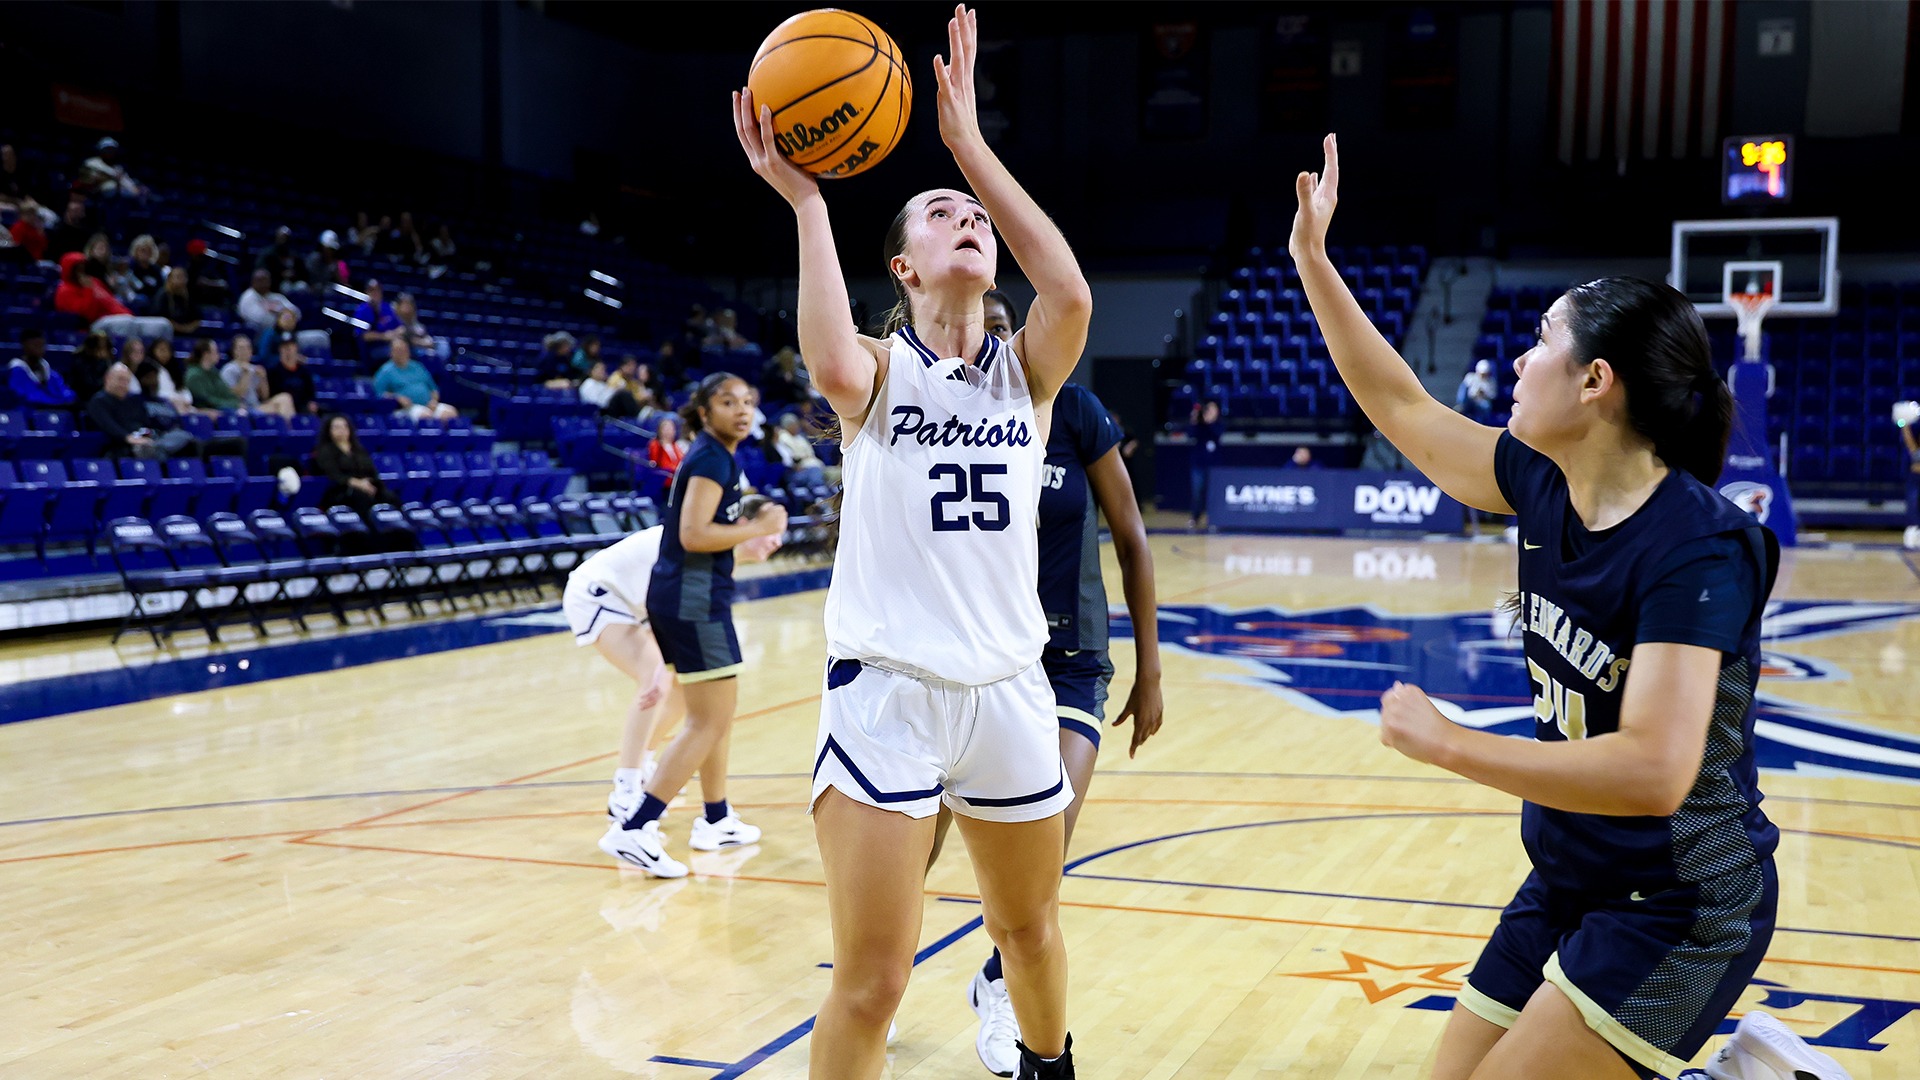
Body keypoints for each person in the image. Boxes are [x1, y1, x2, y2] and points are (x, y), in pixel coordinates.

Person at [1289, 134, 1849, 1080]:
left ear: (1596, 381)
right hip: (1570, 875)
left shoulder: (1699, 546)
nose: (1519, 358)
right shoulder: (1542, 481)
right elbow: (1403, 408)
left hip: (1683, 899)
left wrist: (1450, 741)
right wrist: (1313, 262)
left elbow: (1655, 771)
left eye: (1543, 339)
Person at [734, 8, 1092, 1076]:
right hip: (887, 692)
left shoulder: (1027, 374)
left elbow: (1068, 292)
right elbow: (829, 356)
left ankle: (1049, 1065)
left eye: (975, 212)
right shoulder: (883, 375)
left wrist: (970, 147)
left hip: (1006, 689)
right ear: (903, 264)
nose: (967, 217)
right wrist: (805, 202)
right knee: (874, 980)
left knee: (1026, 934)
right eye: (944, 212)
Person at [931, 289, 1165, 1075]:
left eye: (1009, 330)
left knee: (1044, 852)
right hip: (973, 664)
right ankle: (881, 978)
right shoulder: (941, 421)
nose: (996, 344)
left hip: (1069, 661)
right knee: (917, 852)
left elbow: (1132, 537)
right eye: (985, 332)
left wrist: (1152, 667)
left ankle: (1000, 987)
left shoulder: (1076, 410)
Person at [600, 373, 788, 875]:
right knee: (709, 720)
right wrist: (758, 527)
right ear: (704, 411)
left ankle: (716, 817)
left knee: (714, 717)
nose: (742, 410)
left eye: (749, 401)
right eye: (728, 402)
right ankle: (635, 827)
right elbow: (693, 533)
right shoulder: (708, 457)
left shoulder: (717, 456)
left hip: (688, 598)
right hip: (692, 600)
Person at [567, 494, 785, 837]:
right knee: (655, 678)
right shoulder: (698, 545)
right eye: (773, 530)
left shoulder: (722, 554)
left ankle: (646, 765)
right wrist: (660, 662)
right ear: (744, 524)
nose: (778, 540)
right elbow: (662, 599)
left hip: (635, 604)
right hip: (597, 594)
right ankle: (625, 790)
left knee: (688, 688)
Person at [89, 363, 194, 459]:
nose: (124, 384)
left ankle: (158, 448)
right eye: (120, 379)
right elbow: (108, 425)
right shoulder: (98, 401)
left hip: (147, 440)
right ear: (108, 378)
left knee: (182, 435)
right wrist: (128, 438)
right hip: (122, 446)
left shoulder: (134, 400)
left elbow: (146, 422)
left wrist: (148, 435)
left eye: (127, 381)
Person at [312, 414, 399, 520]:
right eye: (337, 427)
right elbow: (334, 475)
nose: (342, 430)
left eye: (345, 426)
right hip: (341, 490)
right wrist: (358, 484)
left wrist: (370, 483)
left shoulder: (358, 449)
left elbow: (371, 470)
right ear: (328, 430)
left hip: (365, 486)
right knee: (361, 498)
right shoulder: (324, 451)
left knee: (389, 497)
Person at [371, 338, 456, 421]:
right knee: (425, 416)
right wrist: (397, 398)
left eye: (404, 350)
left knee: (450, 413)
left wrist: (433, 401)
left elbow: (433, 389)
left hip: (429, 405)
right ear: (391, 353)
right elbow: (379, 393)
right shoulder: (385, 371)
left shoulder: (417, 366)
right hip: (406, 408)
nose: (402, 353)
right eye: (398, 350)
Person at [221, 334, 295, 418]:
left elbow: (264, 396)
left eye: (248, 348)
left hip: (256, 406)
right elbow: (234, 396)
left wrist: (263, 378)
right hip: (241, 408)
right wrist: (246, 375)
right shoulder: (229, 369)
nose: (245, 351)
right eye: (241, 348)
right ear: (234, 351)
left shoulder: (254, 369)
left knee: (285, 398)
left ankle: (288, 430)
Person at [8, 328, 77, 409]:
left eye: (42, 345)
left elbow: (67, 393)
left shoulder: (51, 374)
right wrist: (58, 402)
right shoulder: (17, 372)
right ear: (24, 345)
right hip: (29, 414)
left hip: (54, 410)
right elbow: (29, 397)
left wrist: (64, 400)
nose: (40, 349)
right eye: (35, 345)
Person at [1187, 398, 1223, 529]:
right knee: (1197, 492)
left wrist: (1209, 421)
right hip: (1198, 463)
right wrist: (1195, 419)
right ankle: (1195, 517)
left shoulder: (1218, 424)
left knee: (1212, 492)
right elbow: (1190, 434)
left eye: (1214, 409)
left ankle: (1212, 518)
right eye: (1209, 409)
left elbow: (1217, 433)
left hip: (1214, 464)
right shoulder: (1199, 425)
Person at [77, 137, 148, 202]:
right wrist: (108, 177)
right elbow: (87, 180)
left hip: (120, 196)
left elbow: (127, 182)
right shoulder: (91, 162)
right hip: (100, 195)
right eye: (107, 149)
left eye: (112, 149)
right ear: (101, 150)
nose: (110, 152)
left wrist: (137, 189)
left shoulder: (118, 167)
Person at [238, 269, 302, 335]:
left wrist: (278, 310)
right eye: (260, 280)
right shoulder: (248, 297)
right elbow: (261, 320)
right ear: (253, 282)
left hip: (281, 331)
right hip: (259, 334)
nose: (263, 283)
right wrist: (282, 316)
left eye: (265, 280)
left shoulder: (276, 297)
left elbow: (296, 312)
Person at [353, 278, 403, 362]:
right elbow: (364, 336)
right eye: (372, 290)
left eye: (377, 290)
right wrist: (384, 336)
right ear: (367, 292)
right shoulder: (362, 310)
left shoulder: (387, 307)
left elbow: (401, 327)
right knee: (397, 353)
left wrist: (393, 334)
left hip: (392, 344)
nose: (375, 293)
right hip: (374, 348)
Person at [268, 337, 319, 415]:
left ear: (296, 348)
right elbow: (271, 395)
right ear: (280, 350)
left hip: (302, 406)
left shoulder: (304, 371)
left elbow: (310, 392)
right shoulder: (273, 370)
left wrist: (311, 402)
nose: (288, 350)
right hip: (282, 407)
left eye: (290, 347)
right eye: (284, 347)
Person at [391, 291, 446, 360]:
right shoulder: (393, 320)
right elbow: (403, 339)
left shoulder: (415, 322)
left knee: (442, 345)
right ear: (398, 306)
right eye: (404, 304)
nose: (407, 307)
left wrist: (427, 342)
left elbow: (425, 337)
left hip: (418, 348)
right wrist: (421, 342)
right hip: (404, 349)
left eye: (409, 304)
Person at [151, 266, 202, 336]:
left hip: (187, 333)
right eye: (178, 277)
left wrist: (188, 328)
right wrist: (180, 328)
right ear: (169, 279)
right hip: (164, 333)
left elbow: (198, 318)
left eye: (184, 277)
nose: (182, 280)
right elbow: (160, 318)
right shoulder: (162, 295)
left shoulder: (189, 296)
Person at [120, 234, 165, 308]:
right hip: (133, 302)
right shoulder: (130, 267)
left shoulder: (156, 269)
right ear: (136, 251)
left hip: (153, 302)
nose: (146, 253)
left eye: (148, 250)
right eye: (143, 250)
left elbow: (160, 289)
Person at [1898, 401, 1920, 551]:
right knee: (1913, 504)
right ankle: (1912, 531)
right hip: (1915, 478)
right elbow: (1907, 438)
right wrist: (1903, 422)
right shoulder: (1916, 449)